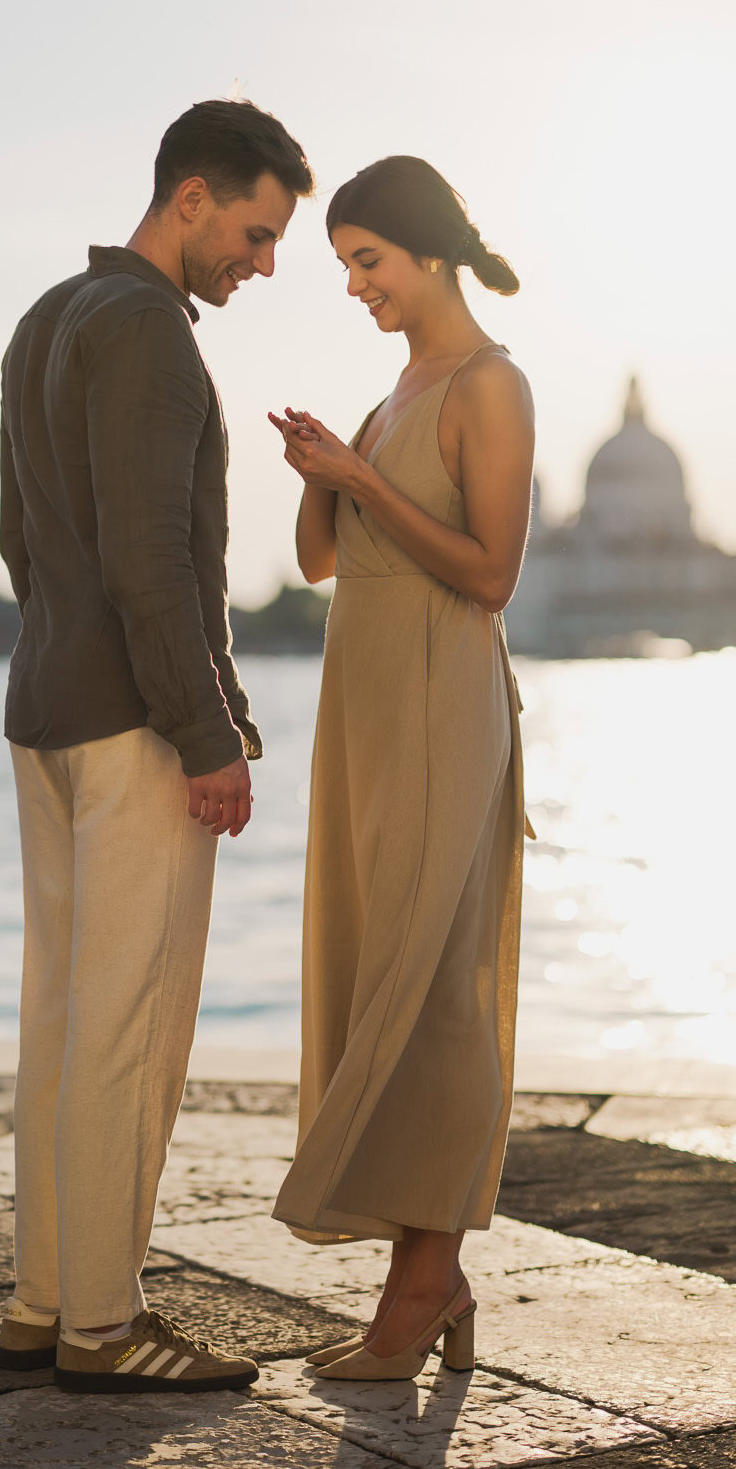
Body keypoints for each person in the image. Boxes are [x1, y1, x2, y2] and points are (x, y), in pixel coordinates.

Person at [0, 99, 313, 1393]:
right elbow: (157, 566)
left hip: (47, 709)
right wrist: (211, 731)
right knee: (128, 1030)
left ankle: (44, 1303)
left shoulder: (45, 321)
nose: (265, 261)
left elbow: (24, 542)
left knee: (63, 1021)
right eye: (256, 229)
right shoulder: (153, 339)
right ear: (190, 199)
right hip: (134, 724)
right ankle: (107, 1324)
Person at [268, 155, 534, 1380]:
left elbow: (488, 576)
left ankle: (420, 1285)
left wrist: (364, 475)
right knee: (382, 968)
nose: (354, 286)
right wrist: (321, 472)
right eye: (343, 267)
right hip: (365, 711)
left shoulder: (489, 383)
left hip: (440, 701)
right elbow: (324, 566)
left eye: (365, 260)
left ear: (427, 253)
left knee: (433, 993)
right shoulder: (393, 390)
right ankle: (429, 1275)